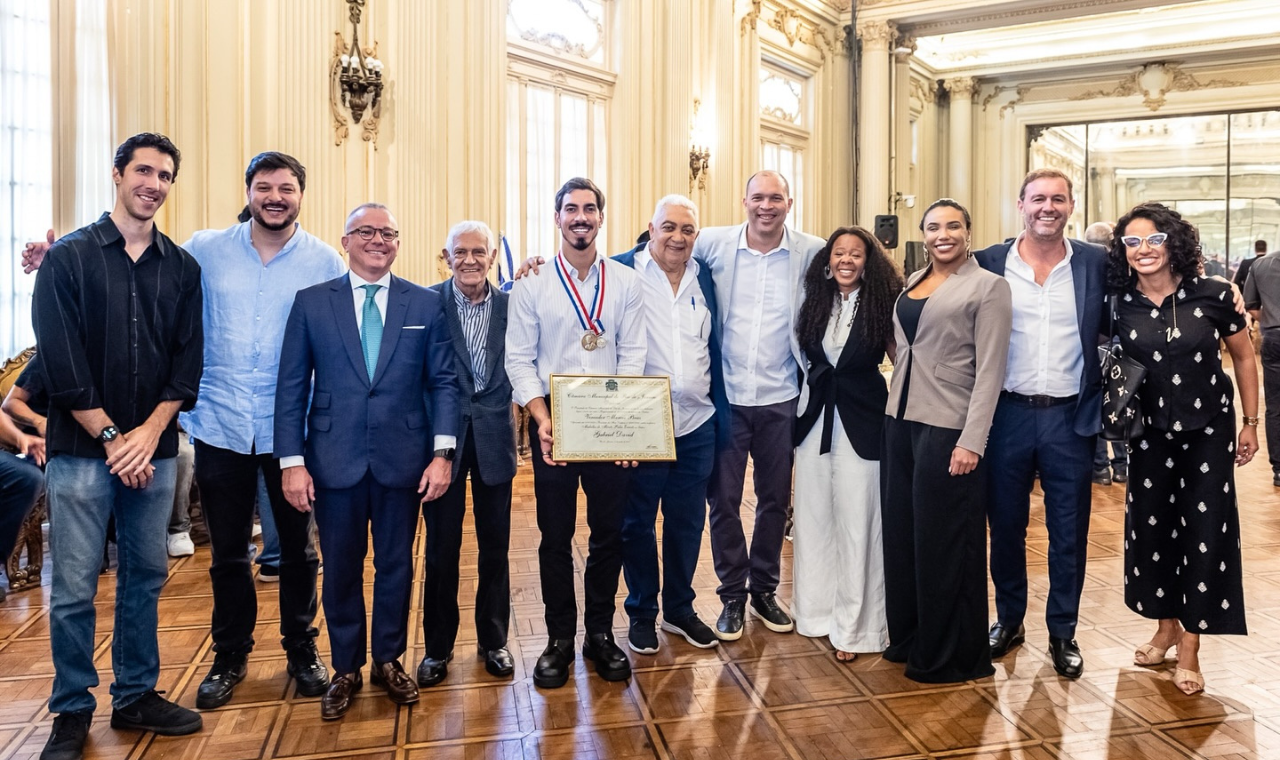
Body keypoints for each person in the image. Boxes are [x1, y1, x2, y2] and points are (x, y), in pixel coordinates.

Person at [33, 132, 205, 760]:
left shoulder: (182, 267)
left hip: (154, 451)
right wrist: (112, 438)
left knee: (146, 577)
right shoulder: (68, 259)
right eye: (144, 171)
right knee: (74, 587)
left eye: (165, 176)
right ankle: (71, 709)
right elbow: (61, 363)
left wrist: (149, 434)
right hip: (82, 454)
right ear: (117, 174)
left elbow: (187, 364)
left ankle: (135, 695)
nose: (153, 185)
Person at [275, 202, 460, 719]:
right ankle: (345, 668)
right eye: (366, 231)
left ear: (398, 243)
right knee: (340, 568)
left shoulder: (424, 304)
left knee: (396, 565)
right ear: (345, 241)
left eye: (388, 233)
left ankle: (388, 660)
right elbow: (291, 387)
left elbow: (444, 383)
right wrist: (291, 461)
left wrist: (443, 454)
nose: (378, 240)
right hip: (333, 461)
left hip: (405, 461)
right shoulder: (313, 302)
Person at [175, 152, 344, 709]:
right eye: (265, 187)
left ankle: (302, 648)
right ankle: (229, 655)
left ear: (301, 195)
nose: (275, 197)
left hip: (291, 430)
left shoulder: (323, 260)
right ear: (248, 191)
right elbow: (147, 274)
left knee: (298, 550)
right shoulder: (204, 249)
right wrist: (59, 256)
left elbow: (336, 344)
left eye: (286, 188)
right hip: (220, 422)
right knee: (227, 552)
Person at [1106, 202, 1258, 696]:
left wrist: (1251, 423)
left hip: (1208, 432)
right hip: (1147, 435)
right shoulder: (1116, 300)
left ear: (1173, 243)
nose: (1144, 250)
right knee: (1152, 530)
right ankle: (1166, 626)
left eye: (1154, 239)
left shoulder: (1215, 294)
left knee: (1205, 531)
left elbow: (1244, 357)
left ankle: (1191, 643)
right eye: (1132, 242)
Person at [505, 177, 646, 688]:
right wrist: (542, 419)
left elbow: (634, 354)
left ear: (600, 218)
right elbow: (519, 360)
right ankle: (559, 639)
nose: (580, 217)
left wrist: (625, 425)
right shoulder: (532, 284)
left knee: (609, 535)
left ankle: (601, 634)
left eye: (589, 208)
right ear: (557, 218)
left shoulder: (626, 282)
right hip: (554, 426)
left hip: (608, 423)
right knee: (555, 537)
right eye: (571, 209)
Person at [976, 169, 1107, 680]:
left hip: (1071, 418)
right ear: (1021, 205)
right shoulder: (988, 262)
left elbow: (1149, 290)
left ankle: (1063, 631)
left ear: (1071, 205)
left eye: (1057, 198)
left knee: (1069, 531)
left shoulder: (1096, 263)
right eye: (1037, 199)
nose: (1047, 207)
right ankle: (1009, 620)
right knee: (1005, 526)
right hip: (1005, 414)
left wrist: (1221, 291)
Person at [881, 198, 1011, 683]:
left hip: (949, 426)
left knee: (944, 541)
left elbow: (991, 370)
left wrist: (972, 440)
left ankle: (949, 653)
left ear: (968, 232)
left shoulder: (989, 286)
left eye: (953, 226)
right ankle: (911, 636)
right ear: (924, 234)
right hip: (900, 420)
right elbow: (905, 347)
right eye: (934, 227)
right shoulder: (914, 281)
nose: (943, 235)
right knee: (905, 536)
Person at [692, 170, 826, 640]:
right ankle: (732, 593)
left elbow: (857, 273)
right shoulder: (713, 243)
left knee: (774, 501)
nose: (766, 206)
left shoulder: (812, 250)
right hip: (726, 397)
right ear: (743, 200)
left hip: (782, 396)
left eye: (775, 198)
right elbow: (651, 252)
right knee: (723, 500)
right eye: (758, 197)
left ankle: (764, 589)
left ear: (790, 202)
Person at [616, 195, 728, 654]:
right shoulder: (620, 271)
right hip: (643, 422)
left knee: (687, 522)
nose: (677, 237)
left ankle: (680, 610)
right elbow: (570, 286)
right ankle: (642, 611)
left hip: (698, 421)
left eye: (687, 229)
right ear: (651, 228)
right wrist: (531, 267)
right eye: (668, 227)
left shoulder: (707, 279)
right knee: (636, 523)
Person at [792, 226, 902, 661]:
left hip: (865, 422)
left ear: (868, 263)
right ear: (827, 261)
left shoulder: (882, 305)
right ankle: (816, 614)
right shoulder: (814, 302)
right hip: (814, 421)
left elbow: (903, 361)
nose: (846, 260)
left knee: (860, 524)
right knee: (814, 520)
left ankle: (856, 629)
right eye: (839, 253)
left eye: (856, 254)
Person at [418, 221, 517, 687]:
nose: (470, 260)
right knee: (441, 550)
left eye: (479, 251)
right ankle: (437, 649)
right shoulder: (425, 303)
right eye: (460, 252)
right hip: (443, 443)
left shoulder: (512, 306)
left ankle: (494, 641)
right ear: (447, 257)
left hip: (496, 438)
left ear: (492, 257)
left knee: (496, 547)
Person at [1083, 221, 1128, 487]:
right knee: (1119, 404)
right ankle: (1121, 466)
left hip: (1092, 347)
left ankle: (1100, 468)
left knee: (1096, 407)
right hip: (1120, 345)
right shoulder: (1122, 268)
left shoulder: (1082, 268)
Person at [1244, 239, 1280, 486]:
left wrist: (1272, 321)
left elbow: (1251, 306)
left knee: (1275, 406)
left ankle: (1279, 469)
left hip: (1275, 337)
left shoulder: (1261, 264)